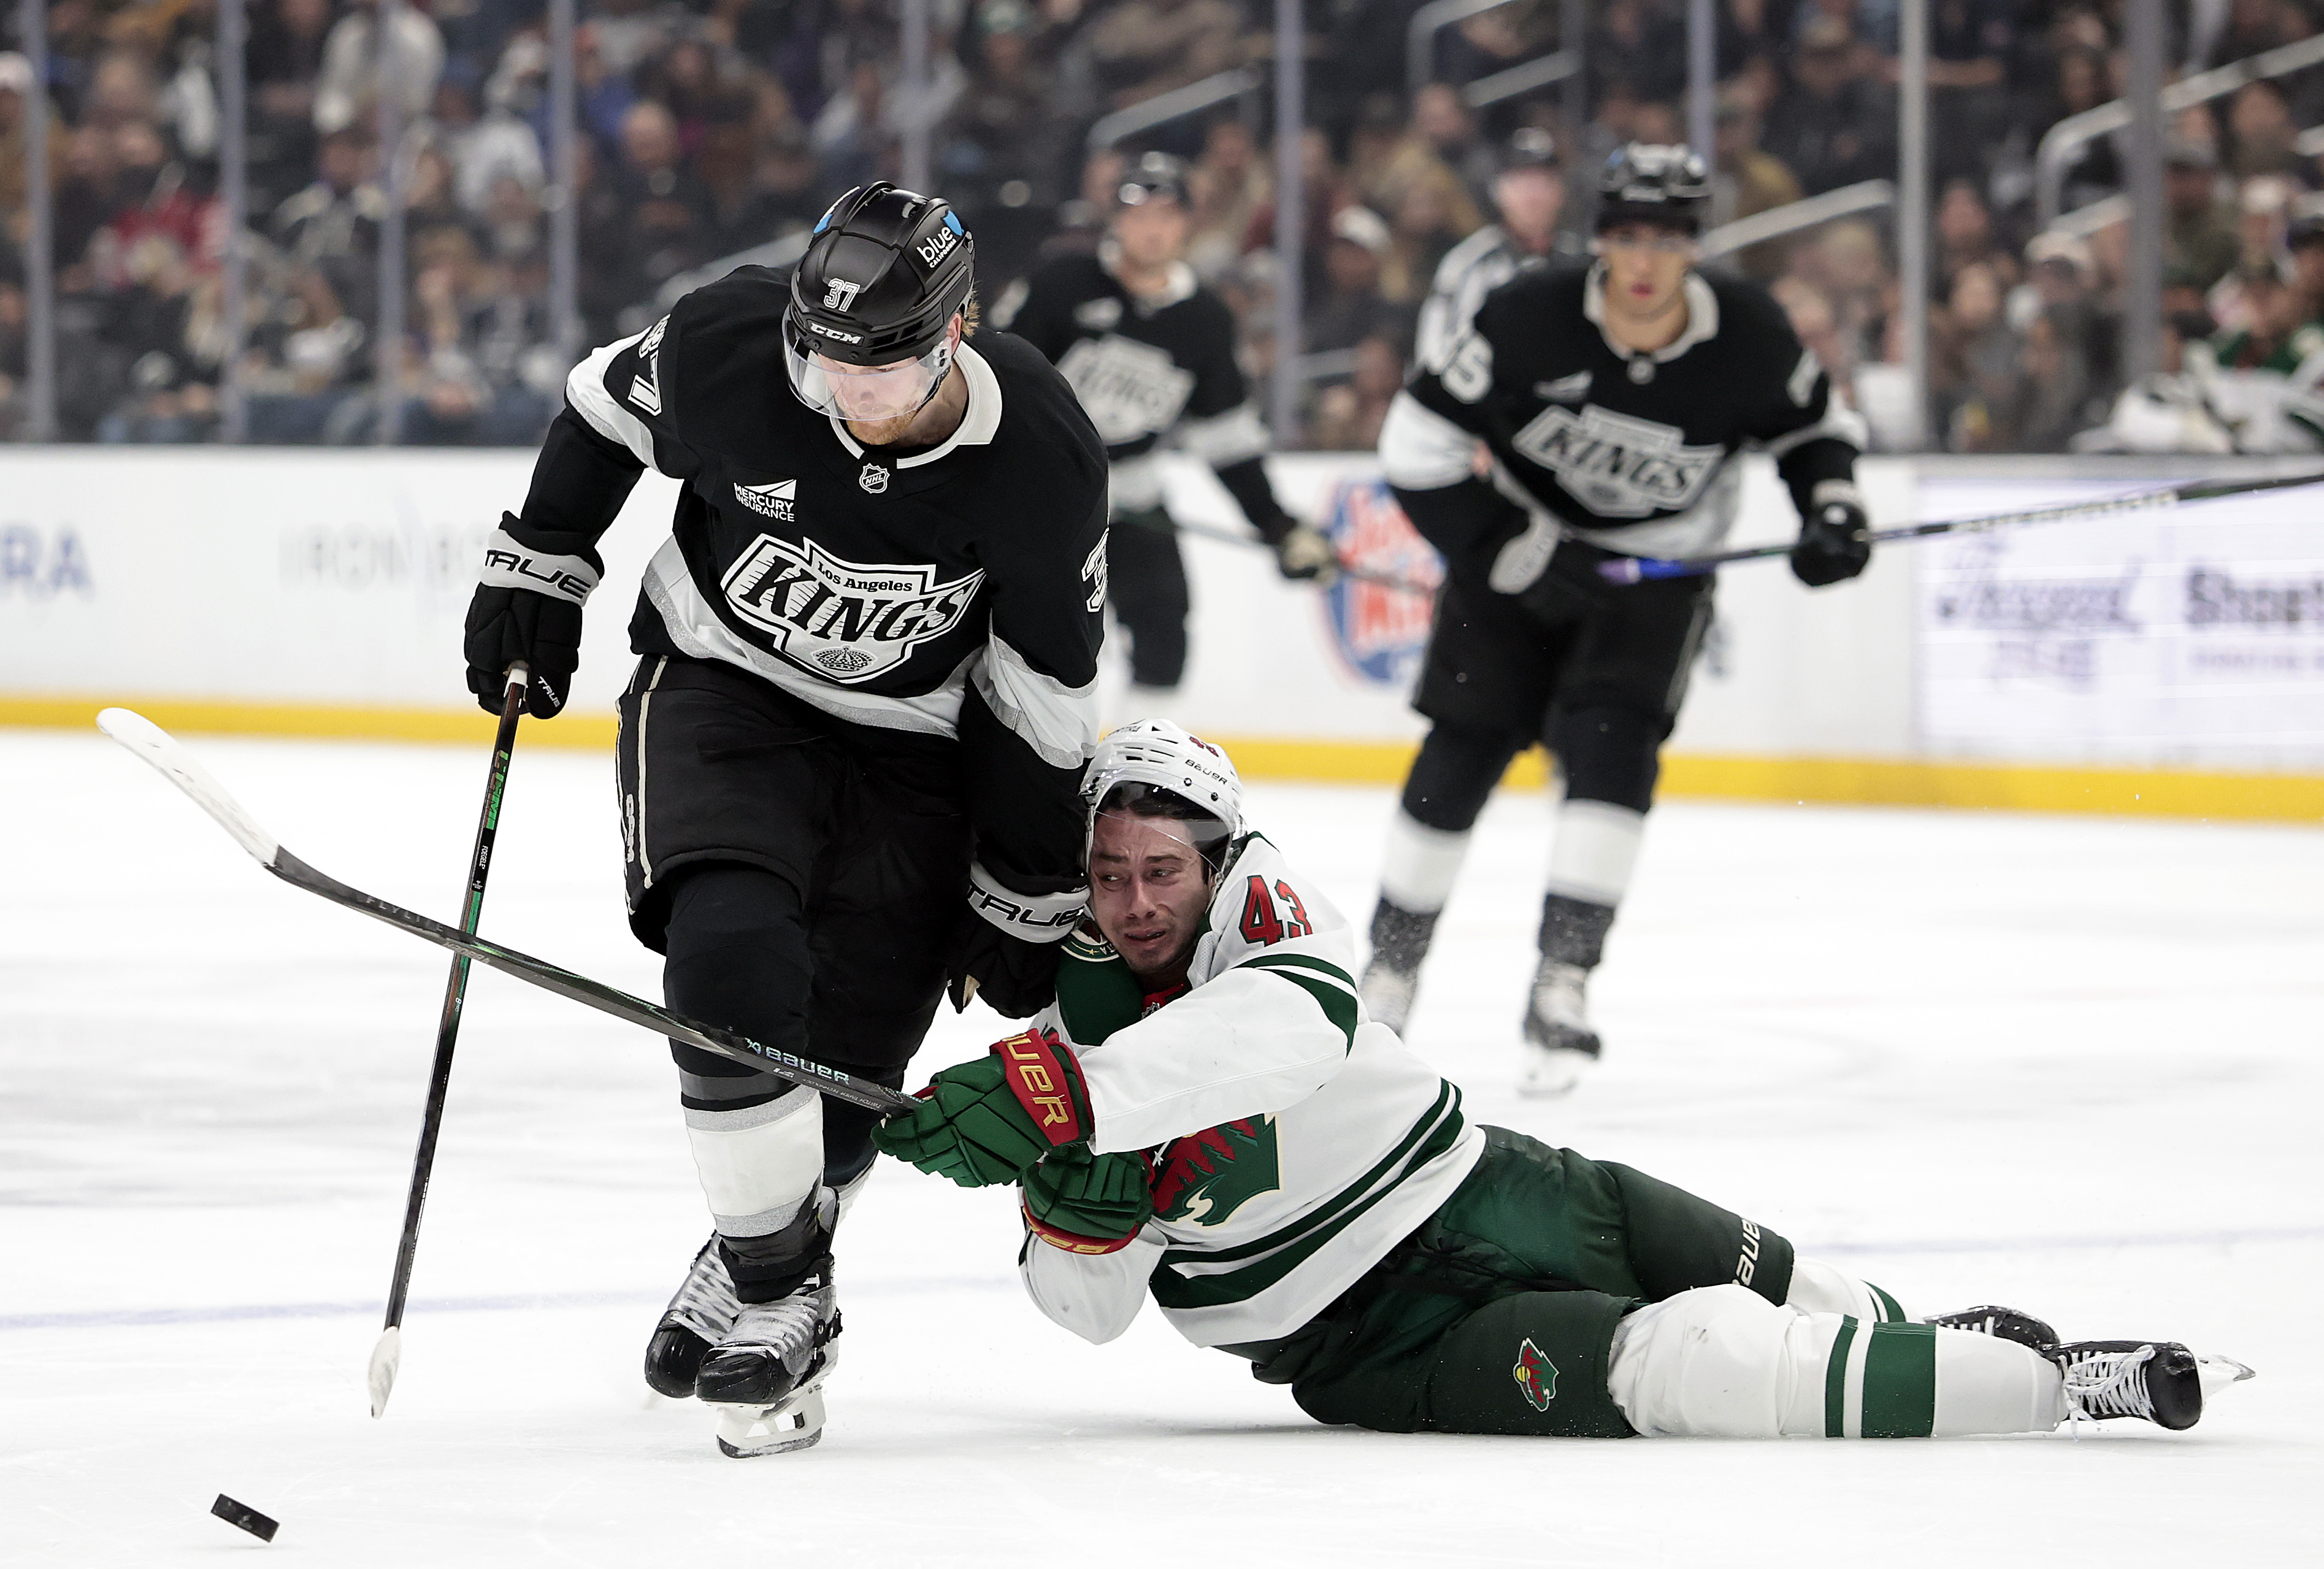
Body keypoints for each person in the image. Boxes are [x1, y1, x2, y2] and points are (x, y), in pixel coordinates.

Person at [872, 723, 2252, 1443]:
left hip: (1490, 1185)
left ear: (1218, 858)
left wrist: (1069, 1099)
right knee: (1693, 1362)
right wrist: (1077, 1207)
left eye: (1160, 870)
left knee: (1778, 1280)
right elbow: (1086, 1314)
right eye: (1108, 876)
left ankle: (1929, 1346)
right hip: (1374, 1345)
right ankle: (2055, 1388)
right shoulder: (1063, 1026)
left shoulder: (1263, 904)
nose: (1134, 903)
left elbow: (1297, 1024)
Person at [459, 182, 1109, 1457]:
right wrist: (541, 558)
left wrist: (1026, 880)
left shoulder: (1040, 450)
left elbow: (1043, 685)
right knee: (729, 955)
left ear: (955, 333)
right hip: (722, 684)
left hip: (917, 742)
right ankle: (779, 1286)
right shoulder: (730, 340)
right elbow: (601, 409)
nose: (839, 391)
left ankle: (751, 1245)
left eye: (877, 370)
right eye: (821, 359)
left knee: (845, 1075)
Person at [1362, 144, 1872, 1095]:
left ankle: (1563, 979)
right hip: (1517, 553)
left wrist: (1832, 508)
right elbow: (1416, 443)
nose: (1645, 260)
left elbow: (1815, 431)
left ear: (1695, 246)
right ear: (1599, 238)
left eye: (1668, 238)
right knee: (1462, 748)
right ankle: (1389, 970)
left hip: (1657, 573)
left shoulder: (1749, 333)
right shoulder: (1527, 313)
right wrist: (1510, 547)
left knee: (1614, 750)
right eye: (1629, 235)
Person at [998, 152, 1335, 707]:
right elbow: (998, 384)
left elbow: (1226, 439)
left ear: (1187, 223)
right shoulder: (1062, 284)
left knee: (1163, 637)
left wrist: (1278, 525)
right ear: (1115, 221)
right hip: (1044, 499)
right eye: (1138, 215)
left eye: (1166, 215)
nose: (1152, 230)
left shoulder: (1204, 320)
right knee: (1039, 645)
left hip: (1134, 497)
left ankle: (1134, 759)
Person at [1413, 127, 1569, 376]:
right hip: (1485, 394)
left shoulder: (1581, 262)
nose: (1534, 196)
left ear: (1560, 192)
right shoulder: (1468, 264)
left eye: (1544, 182)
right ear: (1499, 191)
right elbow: (1432, 354)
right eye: (1522, 183)